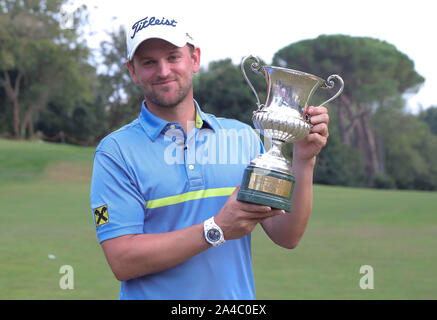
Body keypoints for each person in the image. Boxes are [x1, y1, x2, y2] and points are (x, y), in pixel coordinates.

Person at [90, 14, 330, 300]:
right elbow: (122, 260)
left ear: (194, 59)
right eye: (149, 62)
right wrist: (214, 229)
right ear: (133, 70)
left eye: (172, 57)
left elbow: (287, 235)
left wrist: (304, 160)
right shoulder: (115, 152)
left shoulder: (242, 138)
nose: (163, 71)